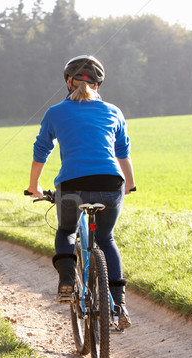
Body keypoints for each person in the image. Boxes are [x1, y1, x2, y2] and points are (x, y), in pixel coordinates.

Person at [27, 55, 136, 329]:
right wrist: (130, 183)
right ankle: (119, 305)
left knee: (66, 231)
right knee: (106, 238)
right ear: (97, 85)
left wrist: (34, 187)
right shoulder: (114, 111)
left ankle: (66, 281)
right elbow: (122, 152)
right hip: (111, 185)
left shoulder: (55, 112)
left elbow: (41, 150)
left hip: (72, 186)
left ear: (67, 82)